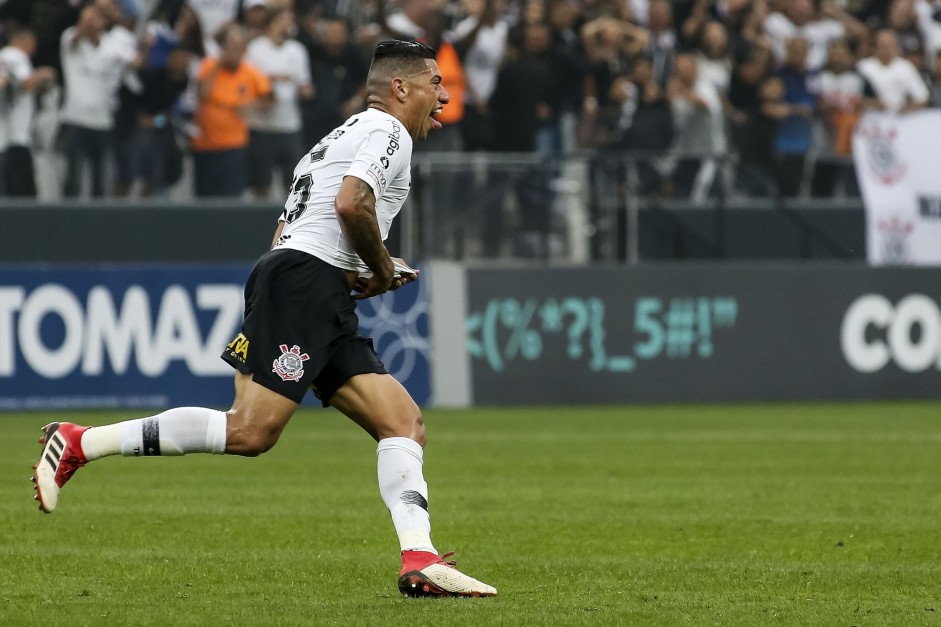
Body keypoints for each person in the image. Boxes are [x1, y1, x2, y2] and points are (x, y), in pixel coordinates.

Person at [32, 39, 497, 600]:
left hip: (308, 284)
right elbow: (352, 205)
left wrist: (356, 275)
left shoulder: (332, 141)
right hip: (306, 284)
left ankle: (419, 558)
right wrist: (379, 268)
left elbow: (288, 232)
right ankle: (83, 442)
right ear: (400, 88)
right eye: (434, 84)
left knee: (402, 422)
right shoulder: (388, 132)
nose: (444, 97)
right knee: (250, 430)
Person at [191, 24, 271, 197]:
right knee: (204, 196)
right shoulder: (208, 65)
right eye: (232, 47)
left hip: (233, 145)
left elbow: (269, 99)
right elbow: (202, 93)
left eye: (239, 48)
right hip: (205, 145)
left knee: (231, 196)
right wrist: (218, 64)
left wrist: (251, 105)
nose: (235, 53)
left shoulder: (250, 72)